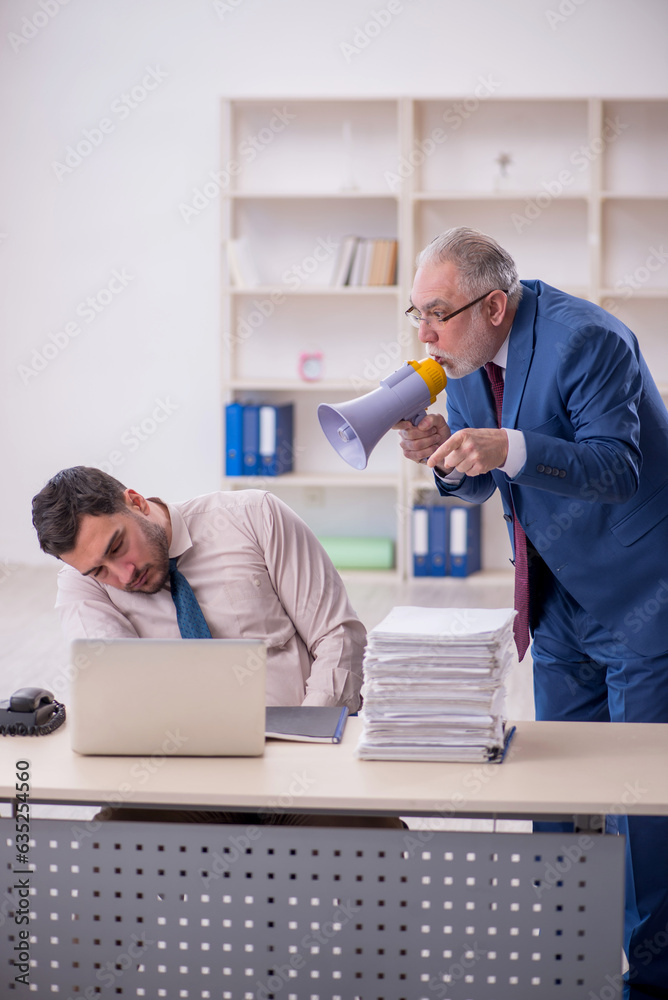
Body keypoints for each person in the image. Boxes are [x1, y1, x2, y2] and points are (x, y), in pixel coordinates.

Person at [396, 227, 668, 999]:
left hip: (642, 595)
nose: (424, 334)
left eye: (436, 314)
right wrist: (448, 452)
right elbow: (492, 476)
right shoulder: (465, 355)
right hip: (554, 602)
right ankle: (567, 967)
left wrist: (503, 445)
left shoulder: (590, 341)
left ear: (493, 304)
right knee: (562, 800)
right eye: (414, 313)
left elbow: (616, 465)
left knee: (644, 808)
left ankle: (650, 983)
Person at [31, 466, 364, 712]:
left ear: (136, 502)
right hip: (179, 773)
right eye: (99, 570)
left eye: (117, 547)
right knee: (120, 812)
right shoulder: (82, 583)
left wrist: (308, 734)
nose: (124, 575)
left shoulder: (254, 515)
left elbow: (337, 636)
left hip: (297, 754)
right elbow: (116, 689)